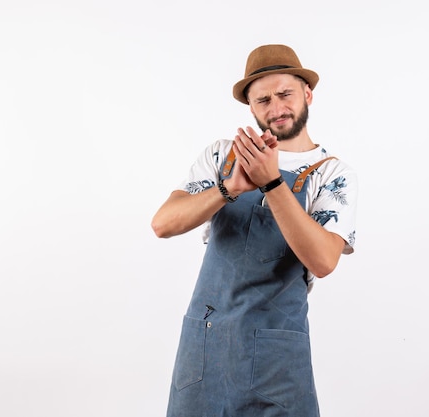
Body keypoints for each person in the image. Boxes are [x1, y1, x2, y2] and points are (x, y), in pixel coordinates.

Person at [151, 44, 358, 417]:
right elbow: (163, 224)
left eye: (284, 94)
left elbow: (324, 261)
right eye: (262, 100)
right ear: (250, 107)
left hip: (278, 359)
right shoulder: (222, 155)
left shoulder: (332, 174)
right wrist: (228, 188)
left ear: (307, 93)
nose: (276, 108)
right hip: (205, 346)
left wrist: (272, 183)